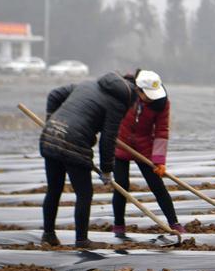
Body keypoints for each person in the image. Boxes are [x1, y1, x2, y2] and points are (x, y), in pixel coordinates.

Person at [39, 72, 138, 248]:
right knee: (84, 193)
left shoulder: (86, 84)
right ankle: (82, 240)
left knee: (54, 189)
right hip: (74, 143)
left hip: (50, 136)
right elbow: (108, 138)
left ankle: (48, 235)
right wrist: (107, 169)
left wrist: (50, 120)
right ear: (130, 95)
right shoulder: (117, 104)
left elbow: (54, 94)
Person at [111, 70, 184, 237]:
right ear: (138, 90)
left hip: (144, 148)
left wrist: (159, 160)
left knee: (157, 186)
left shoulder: (162, 103)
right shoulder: (124, 94)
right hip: (120, 143)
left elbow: (161, 131)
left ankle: (174, 222)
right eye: (147, 95)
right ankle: (119, 226)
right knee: (121, 186)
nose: (151, 98)